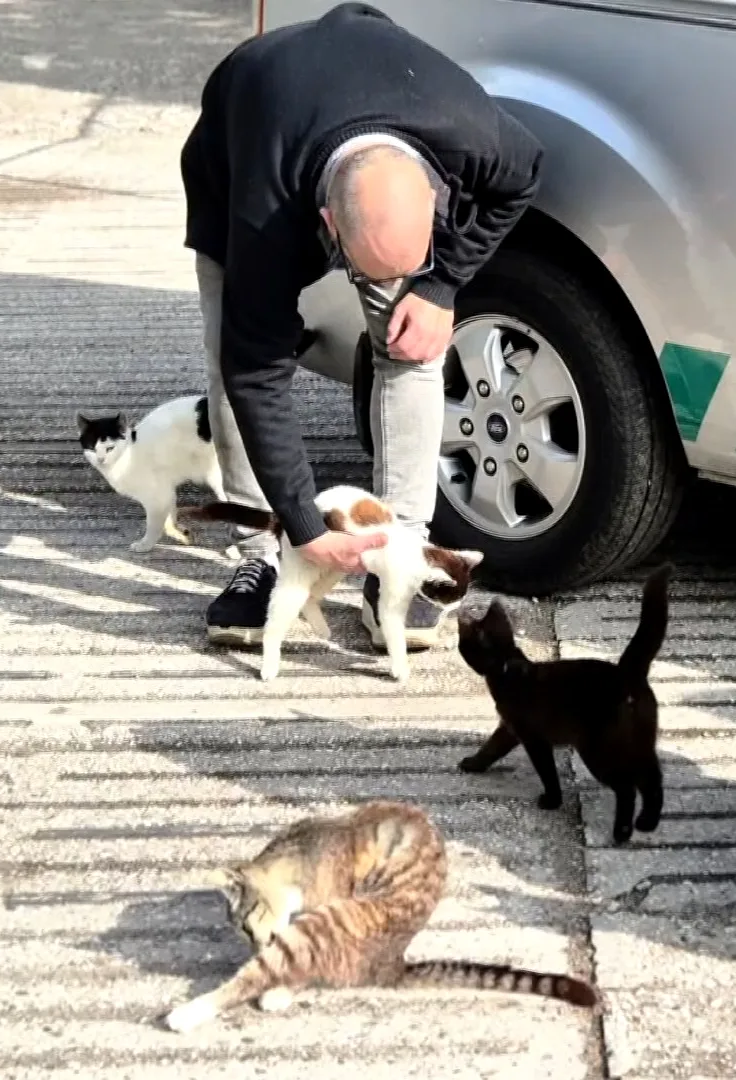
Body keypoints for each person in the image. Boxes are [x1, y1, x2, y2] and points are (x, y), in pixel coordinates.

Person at [180, 2, 543, 649]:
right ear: (327, 226)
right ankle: (259, 554)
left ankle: (397, 558)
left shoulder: (469, 131)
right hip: (237, 147)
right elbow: (254, 371)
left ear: (434, 191)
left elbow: (524, 177)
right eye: (364, 269)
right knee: (231, 352)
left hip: (372, 104)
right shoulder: (267, 215)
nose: (380, 287)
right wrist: (300, 521)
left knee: (413, 345)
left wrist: (439, 283)